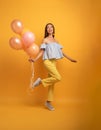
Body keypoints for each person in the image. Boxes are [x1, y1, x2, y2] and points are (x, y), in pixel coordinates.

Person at [29, 23, 77, 111]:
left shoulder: (56, 41)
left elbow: (62, 52)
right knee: (58, 77)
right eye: (48, 27)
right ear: (46, 30)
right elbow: (42, 52)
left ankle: (48, 102)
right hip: (47, 61)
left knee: (52, 84)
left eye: (51, 27)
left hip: (54, 62)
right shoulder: (45, 40)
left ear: (53, 29)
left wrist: (70, 59)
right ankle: (40, 82)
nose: (49, 28)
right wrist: (35, 60)